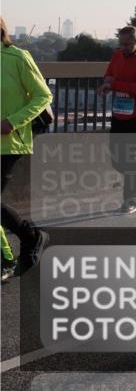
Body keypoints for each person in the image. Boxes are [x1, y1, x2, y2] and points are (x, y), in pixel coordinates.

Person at [1, 16, 53, 275]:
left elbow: (44, 95)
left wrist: (13, 121)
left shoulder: (17, 57)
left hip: (9, 141)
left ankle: (31, 237)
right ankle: (16, 248)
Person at [99, 26, 136, 214]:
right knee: (117, 160)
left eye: (127, 44)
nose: (123, 48)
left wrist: (114, 84)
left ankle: (131, 200)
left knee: (129, 157)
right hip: (120, 113)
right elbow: (109, 75)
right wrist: (106, 84)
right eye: (121, 43)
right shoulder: (117, 55)